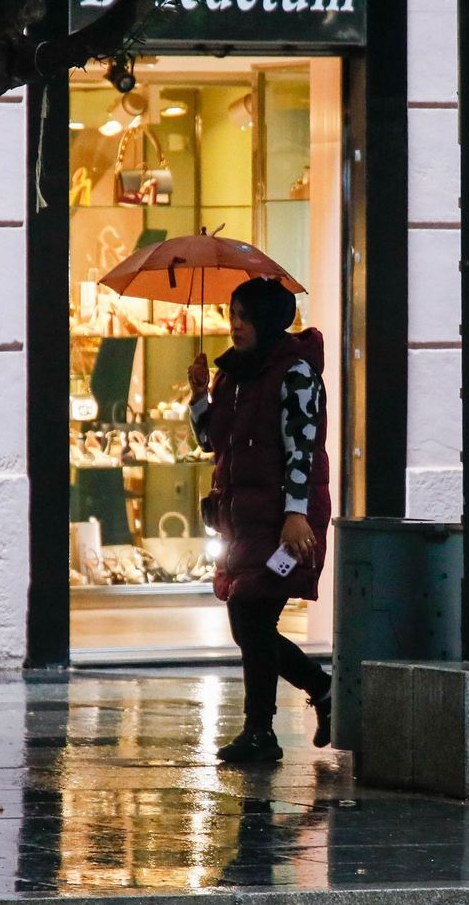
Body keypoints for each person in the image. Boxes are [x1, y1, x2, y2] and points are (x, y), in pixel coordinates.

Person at [188, 276, 332, 764]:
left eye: (244, 317)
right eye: (232, 316)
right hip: (242, 519)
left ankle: (261, 731)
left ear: (268, 319)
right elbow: (212, 441)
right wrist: (199, 395)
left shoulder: (295, 373)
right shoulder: (236, 374)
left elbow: (302, 449)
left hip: (285, 523)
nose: (235, 326)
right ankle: (321, 690)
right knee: (246, 621)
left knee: (253, 614)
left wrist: (296, 516)